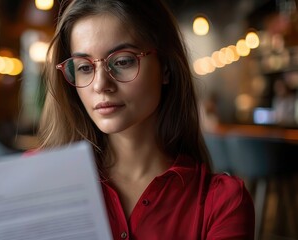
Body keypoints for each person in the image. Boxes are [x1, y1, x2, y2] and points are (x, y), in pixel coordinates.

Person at [36, 0, 255, 239]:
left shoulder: (223, 203)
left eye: (122, 61)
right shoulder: (40, 182)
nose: (100, 85)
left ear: (165, 68)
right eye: (84, 67)